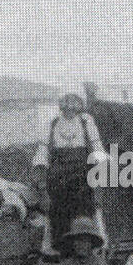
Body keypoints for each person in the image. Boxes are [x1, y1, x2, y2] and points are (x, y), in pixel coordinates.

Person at [33, 93, 107, 253]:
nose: (70, 107)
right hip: (59, 182)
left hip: (83, 181)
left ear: (79, 104)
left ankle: (91, 254)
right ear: (61, 104)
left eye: (74, 102)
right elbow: (41, 155)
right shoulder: (52, 124)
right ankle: (62, 257)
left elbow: (98, 151)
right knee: (59, 220)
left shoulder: (87, 123)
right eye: (66, 102)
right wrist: (42, 185)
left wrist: (100, 180)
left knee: (86, 218)